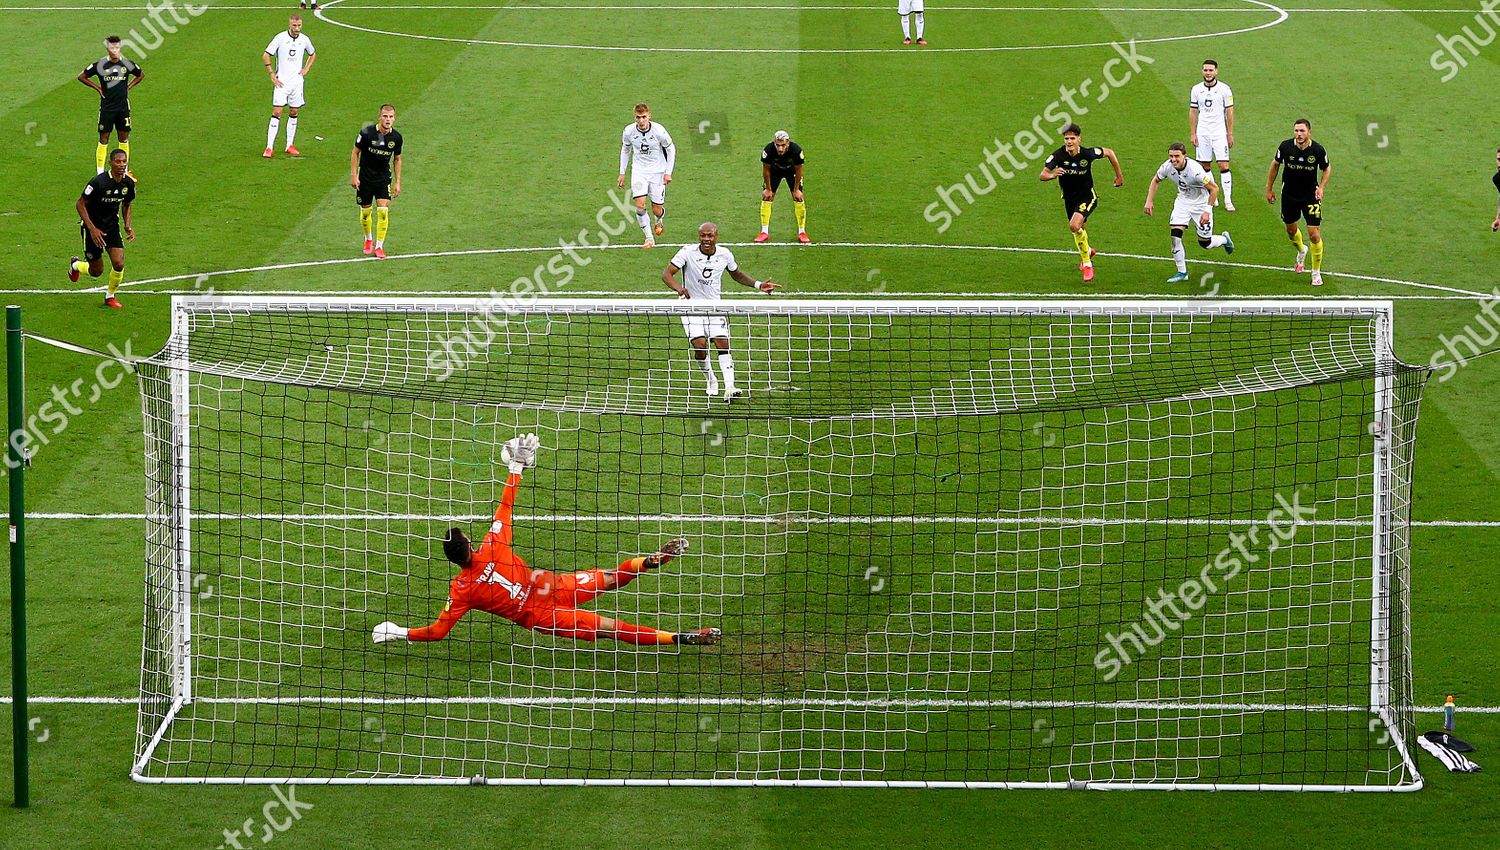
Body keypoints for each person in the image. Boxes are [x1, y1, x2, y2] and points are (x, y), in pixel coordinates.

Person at [372, 434, 722, 647]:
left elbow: (437, 632)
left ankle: (675, 635)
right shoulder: (493, 545)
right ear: (470, 544)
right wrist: (516, 468)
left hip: (540, 611)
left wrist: (400, 632)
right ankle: (651, 570)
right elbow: (505, 507)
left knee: (610, 628)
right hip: (545, 588)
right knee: (611, 580)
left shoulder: (461, 590)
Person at [663, 222, 780, 401]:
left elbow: (736, 274)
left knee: (722, 343)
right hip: (691, 306)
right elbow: (667, 274)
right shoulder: (687, 252)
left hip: (714, 306)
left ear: (716, 236)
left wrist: (758, 285)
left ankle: (730, 386)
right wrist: (679, 289)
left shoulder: (725, 254)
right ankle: (710, 379)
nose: (706, 239)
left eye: (710, 236)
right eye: (703, 235)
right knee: (700, 346)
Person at [1039, 123, 1123, 282]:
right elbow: (1043, 174)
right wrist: (1052, 175)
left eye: (1072, 138)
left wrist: (1119, 176)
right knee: (1079, 229)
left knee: (1074, 225)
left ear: (1079, 139)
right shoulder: (1057, 156)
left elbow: (1110, 153)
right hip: (1069, 199)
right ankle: (1088, 250)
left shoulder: (1087, 154)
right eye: (1066, 138)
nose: (1069, 141)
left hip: (1087, 196)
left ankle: (1087, 264)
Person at [1144, 142, 1233, 283]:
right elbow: (1155, 180)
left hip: (1201, 205)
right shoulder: (1167, 166)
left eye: (1177, 156)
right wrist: (1149, 201)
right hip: (1183, 202)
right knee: (1175, 237)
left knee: (1205, 243)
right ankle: (1182, 272)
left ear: (1184, 156)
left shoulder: (1195, 171)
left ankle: (1224, 240)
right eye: (1171, 156)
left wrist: (1207, 211)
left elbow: (1214, 189)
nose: (1173, 159)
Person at [1264, 119, 1331, 286]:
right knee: (1291, 229)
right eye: (1296, 131)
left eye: (1302, 131)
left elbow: (1326, 168)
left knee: (1314, 234)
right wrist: (1269, 188)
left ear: (1309, 132)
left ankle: (1316, 272)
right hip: (1289, 195)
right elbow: (1275, 165)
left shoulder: (1317, 150)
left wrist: (1321, 188)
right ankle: (1302, 250)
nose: (1299, 134)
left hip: (1310, 196)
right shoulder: (1285, 147)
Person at [67, 148, 135, 309]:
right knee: (96, 271)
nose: (121, 164)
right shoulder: (98, 182)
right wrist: (92, 229)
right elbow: (80, 204)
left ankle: (110, 296)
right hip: (92, 228)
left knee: (118, 263)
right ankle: (75, 265)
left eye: (124, 161)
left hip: (111, 227)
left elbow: (126, 204)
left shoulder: (128, 183)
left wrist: (127, 225)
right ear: (110, 163)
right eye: (118, 161)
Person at [78, 35, 143, 175]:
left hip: (123, 108)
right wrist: (98, 88)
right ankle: (100, 174)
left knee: (123, 138)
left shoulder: (127, 64)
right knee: (103, 139)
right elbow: (82, 76)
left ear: (120, 47)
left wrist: (129, 86)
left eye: (117, 47)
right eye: (112, 47)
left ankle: (124, 172)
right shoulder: (100, 65)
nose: (115, 50)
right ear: (107, 48)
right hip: (107, 109)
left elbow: (140, 74)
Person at [617, 103, 674, 248]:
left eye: (643, 117)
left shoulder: (659, 131)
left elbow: (671, 149)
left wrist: (668, 172)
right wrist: (622, 173)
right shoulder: (629, 131)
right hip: (639, 172)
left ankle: (659, 219)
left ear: (649, 116)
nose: (641, 121)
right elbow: (625, 149)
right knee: (640, 205)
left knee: (656, 208)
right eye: (638, 117)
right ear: (634, 117)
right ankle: (649, 238)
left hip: (657, 172)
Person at [351, 104, 403, 258]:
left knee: (383, 212)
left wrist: (398, 181)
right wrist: (354, 175)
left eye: (391, 117)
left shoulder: (397, 138)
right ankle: (368, 239)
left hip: (382, 179)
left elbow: (398, 159)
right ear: (379, 117)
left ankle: (379, 247)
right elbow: (355, 152)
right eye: (385, 116)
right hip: (365, 178)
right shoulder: (367, 132)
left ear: (394, 118)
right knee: (366, 212)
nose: (388, 120)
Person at [262, 14, 316, 158]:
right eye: (294, 26)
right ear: (289, 25)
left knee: (293, 112)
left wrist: (306, 69)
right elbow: (266, 55)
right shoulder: (280, 38)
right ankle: (269, 147)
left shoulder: (304, 40)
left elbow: (313, 53)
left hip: (297, 83)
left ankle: (289, 145)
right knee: (278, 111)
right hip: (282, 82)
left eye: (299, 26)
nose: (297, 28)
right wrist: (272, 74)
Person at [1188, 60, 1234, 210]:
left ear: (1216, 71)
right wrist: (1193, 133)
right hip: (1203, 132)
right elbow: (1193, 111)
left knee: (1223, 165)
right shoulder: (1196, 89)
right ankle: (1213, 195)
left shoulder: (1224, 89)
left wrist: (1230, 133)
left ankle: (1228, 199)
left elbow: (1230, 112)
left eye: (1210, 70)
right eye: (1205, 70)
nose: (1208, 73)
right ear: (1202, 71)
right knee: (1205, 165)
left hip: (1219, 132)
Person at [756, 130, 809, 243]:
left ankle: (802, 232)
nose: (780, 149)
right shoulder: (768, 150)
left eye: (783, 145)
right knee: (767, 197)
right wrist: (768, 189)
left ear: (788, 143)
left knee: (798, 197)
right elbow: (766, 170)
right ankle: (764, 232)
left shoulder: (796, 150)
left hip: (792, 172)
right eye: (778, 145)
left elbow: (799, 170)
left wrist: (796, 190)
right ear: (774, 143)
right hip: (775, 171)